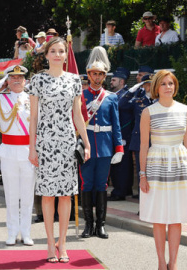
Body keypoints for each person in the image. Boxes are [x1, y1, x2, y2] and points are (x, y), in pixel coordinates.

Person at [28, 38, 90, 263]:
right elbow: (33, 116)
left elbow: (78, 115)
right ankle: (49, 242)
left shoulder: (74, 80)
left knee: (65, 195)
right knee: (47, 195)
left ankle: (62, 243)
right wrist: (32, 147)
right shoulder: (37, 80)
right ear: (46, 55)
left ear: (66, 55)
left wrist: (86, 141)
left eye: (61, 51)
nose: (56, 54)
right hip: (45, 143)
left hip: (66, 143)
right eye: (52, 51)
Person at [139, 70, 187, 270]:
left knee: (176, 218)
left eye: (171, 83)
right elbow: (143, 146)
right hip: (156, 166)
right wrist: (142, 175)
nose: (169, 87)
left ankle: (173, 264)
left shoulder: (185, 110)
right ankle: (161, 263)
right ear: (157, 88)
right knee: (159, 219)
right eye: (164, 84)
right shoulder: (148, 112)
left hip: (180, 166)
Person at [80, 46, 124, 239]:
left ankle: (101, 225)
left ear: (104, 76)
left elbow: (116, 124)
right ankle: (88, 225)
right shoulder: (81, 96)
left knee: (102, 185)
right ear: (89, 75)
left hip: (105, 147)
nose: (97, 78)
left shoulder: (111, 98)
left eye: (100, 74)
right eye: (94, 74)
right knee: (86, 184)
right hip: (88, 147)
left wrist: (119, 147)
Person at [0, 65, 37, 246]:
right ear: (8, 81)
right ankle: (12, 232)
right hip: (9, 150)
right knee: (11, 195)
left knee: (27, 195)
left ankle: (26, 232)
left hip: (28, 150)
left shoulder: (32, 98)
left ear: (25, 80)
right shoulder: (0, 99)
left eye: (20, 77)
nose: (17, 80)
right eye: (12, 77)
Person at [119, 74, 155, 198]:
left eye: (152, 84)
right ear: (144, 86)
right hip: (140, 142)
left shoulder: (161, 101)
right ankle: (143, 204)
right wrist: (132, 90)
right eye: (147, 84)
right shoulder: (138, 100)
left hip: (157, 141)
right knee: (142, 173)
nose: (150, 87)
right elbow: (121, 104)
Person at [109, 70, 134, 201]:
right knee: (118, 165)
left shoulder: (126, 95)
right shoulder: (116, 95)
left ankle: (120, 191)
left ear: (122, 82)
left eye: (114, 80)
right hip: (116, 136)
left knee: (121, 166)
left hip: (123, 136)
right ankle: (123, 189)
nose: (111, 82)